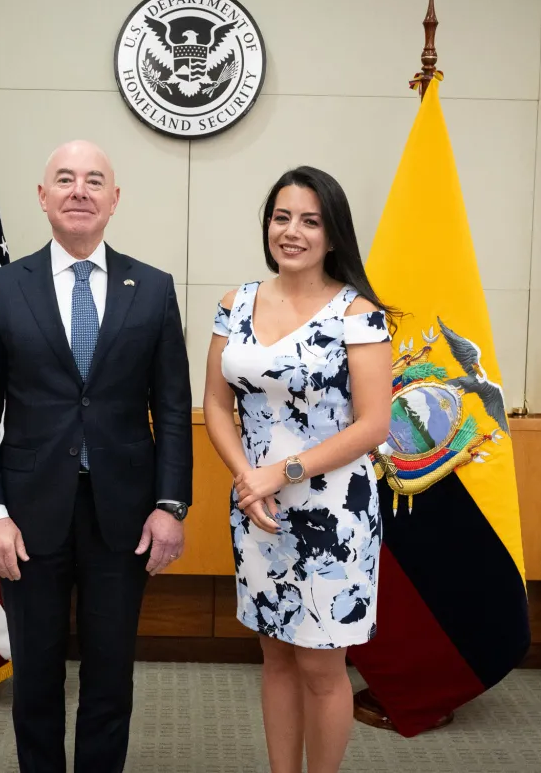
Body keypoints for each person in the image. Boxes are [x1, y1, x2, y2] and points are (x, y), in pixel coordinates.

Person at [0, 140, 192, 773]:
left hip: (124, 515)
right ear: (43, 197)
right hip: (28, 516)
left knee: (111, 674)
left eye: (95, 180)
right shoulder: (1, 290)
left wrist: (172, 505)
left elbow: (172, 408)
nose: (80, 190)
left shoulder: (154, 289)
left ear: (115, 200)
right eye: (65, 179)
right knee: (34, 675)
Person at [202, 166, 394, 773]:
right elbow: (214, 402)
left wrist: (278, 472)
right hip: (256, 507)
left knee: (320, 665)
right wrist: (245, 477)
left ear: (332, 234)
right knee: (276, 655)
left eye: (310, 221)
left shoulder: (357, 313)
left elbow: (372, 426)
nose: (293, 232)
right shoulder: (235, 304)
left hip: (333, 512)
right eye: (282, 217)